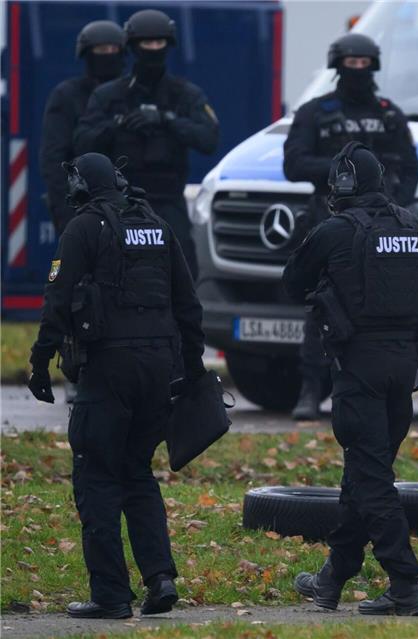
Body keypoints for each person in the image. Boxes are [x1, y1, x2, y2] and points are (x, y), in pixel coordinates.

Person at [282, 143, 418, 616]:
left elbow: (291, 282)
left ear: (340, 186)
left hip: (358, 367)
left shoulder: (334, 230)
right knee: (363, 474)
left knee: (371, 479)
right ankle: (332, 578)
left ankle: (404, 582)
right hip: (403, 367)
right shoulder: (415, 228)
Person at [27, 153, 205, 619]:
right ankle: (160, 578)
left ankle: (110, 595)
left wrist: (40, 360)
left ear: (83, 186)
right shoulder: (157, 226)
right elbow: (187, 302)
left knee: (97, 478)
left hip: (108, 370)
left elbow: (58, 297)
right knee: (137, 474)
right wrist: (191, 367)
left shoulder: (85, 227)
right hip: (158, 371)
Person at [283, 32, 418, 421]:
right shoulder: (314, 112)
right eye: (350, 63)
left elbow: (410, 167)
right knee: (322, 302)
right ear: (337, 66)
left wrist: (397, 205)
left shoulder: (389, 114)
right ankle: (311, 388)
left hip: (383, 218)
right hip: (333, 216)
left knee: (384, 299)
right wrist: (344, 173)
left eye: (363, 64)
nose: (357, 70)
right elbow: (293, 164)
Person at [74, 8, 219, 278]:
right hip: (120, 203)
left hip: (169, 202)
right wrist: (117, 125)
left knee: (182, 273)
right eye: (146, 43)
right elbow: (82, 142)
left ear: (168, 45)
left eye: (159, 42)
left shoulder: (184, 95)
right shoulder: (109, 95)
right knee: (112, 272)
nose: (153, 48)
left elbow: (208, 138)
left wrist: (167, 120)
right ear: (132, 46)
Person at [41, 20, 126, 236]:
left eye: (113, 49)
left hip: (124, 202)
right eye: (101, 50)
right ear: (87, 53)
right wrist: (66, 208)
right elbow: (54, 158)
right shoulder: (67, 96)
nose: (108, 54)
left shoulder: (130, 94)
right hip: (81, 202)